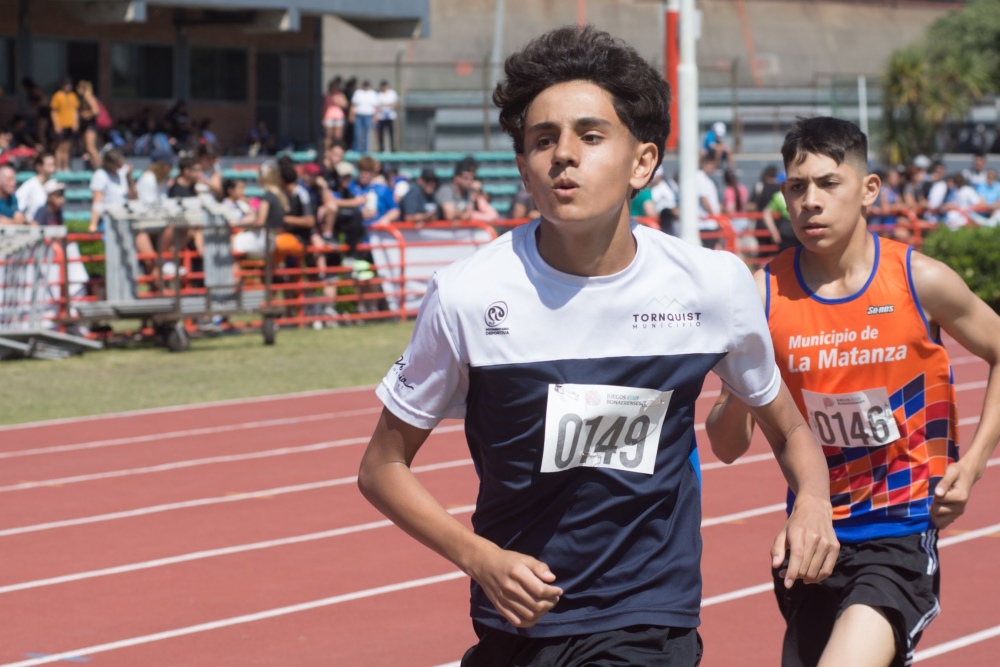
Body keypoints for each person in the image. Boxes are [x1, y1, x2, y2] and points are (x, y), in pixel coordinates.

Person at [358, 26, 838, 667]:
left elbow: (789, 431)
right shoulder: (466, 296)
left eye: (589, 136)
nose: (563, 156)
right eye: (542, 140)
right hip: (517, 622)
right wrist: (482, 558)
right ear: (523, 163)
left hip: (646, 617)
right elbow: (381, 467)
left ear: (642, 162)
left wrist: (813, 501)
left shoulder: (712, 286)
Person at [705, 116, 1000, 667]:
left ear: (868, 190)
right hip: (813, 539)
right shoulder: (762, 293)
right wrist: (745, 364)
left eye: (827, 183)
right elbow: (725, 447)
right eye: (796, 187)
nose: (809, 202)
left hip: (901, 530)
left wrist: (976, 460)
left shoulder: (920, 281)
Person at [436, 157, 499, 223]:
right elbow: (449, 215)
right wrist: (463, 214)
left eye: (471, 179)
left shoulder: (468, 192)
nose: (469, 182)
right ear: (456, 178)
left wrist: (458, 214)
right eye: (466, 178)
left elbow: (469, 214)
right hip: (442, 231)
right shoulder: (446, 190)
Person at [15, 152, 56, 222]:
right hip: (32, 230)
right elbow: (18, 208)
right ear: (39, 167)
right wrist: (28, 222)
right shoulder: (29, 185)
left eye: (54, 165)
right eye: (49, 165)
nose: (53, 169)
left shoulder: (53, 184)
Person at [50, 78, 80, 172]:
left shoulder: (73, 96)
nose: (68, 86)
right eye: (66, 84)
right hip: (61, 125)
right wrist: (56, 125)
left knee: (67, 147)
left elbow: (75, 111)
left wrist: (76, 122)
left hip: (70, 125)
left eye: (69, 84)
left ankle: (66, 167)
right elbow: (54, 111)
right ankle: (58, 167)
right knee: (60, 147)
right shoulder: (57, 96)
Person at [75, 80, 103, 169]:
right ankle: (94, 166)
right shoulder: (83, 98)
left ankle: (101, 166)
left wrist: (85, 114)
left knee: (91, 147)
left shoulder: (88, 96)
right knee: (87, 148)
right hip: (87, 126)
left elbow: (96, 111)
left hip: (90, 126)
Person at [349, 80, 379, 153]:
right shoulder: (358, 92)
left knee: (366, 134)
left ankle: (364, 150)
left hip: (368, 116)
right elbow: (353, 105)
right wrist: (351, 115)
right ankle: (355, 149)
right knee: (357, 133)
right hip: (359, 116)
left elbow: (377, 106)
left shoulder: (372, 93)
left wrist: (375, 116)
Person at [322, 78, 349, 150]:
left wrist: (338, 101)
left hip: (339, 116)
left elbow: (345, 105)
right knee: (328, 136)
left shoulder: (341, 95)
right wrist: (323, 118)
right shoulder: (327, 95)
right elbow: (324, 107)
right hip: (329, 116)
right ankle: (327, 150)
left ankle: (338, 149)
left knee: (338, 136)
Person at [375, 80, 399, 153]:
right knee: (381, 133)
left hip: (390, 117)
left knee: (391, 133)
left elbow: (395, 104)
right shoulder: (379, 94)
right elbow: (377, 106)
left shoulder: (392, 93)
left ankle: (392, 148)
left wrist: (387, 105)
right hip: (381, 117)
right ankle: (381, 148)